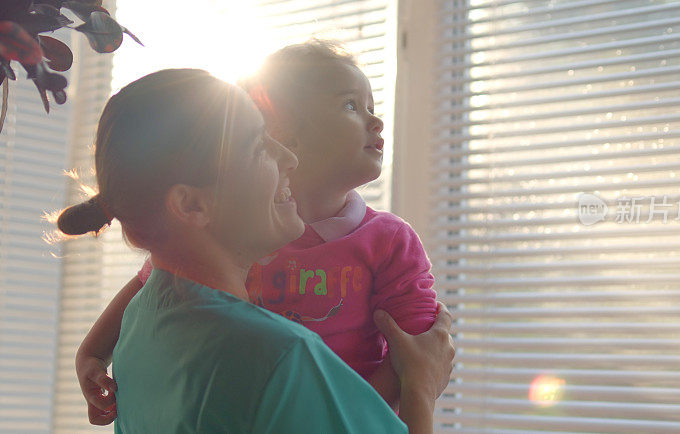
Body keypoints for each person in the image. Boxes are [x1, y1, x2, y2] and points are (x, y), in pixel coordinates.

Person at [58, 68, 455, 433]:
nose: (289, 157)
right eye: (259, 147)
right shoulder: (280, 357)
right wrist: (421, 386)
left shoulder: (140, 324)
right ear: (192, 205)